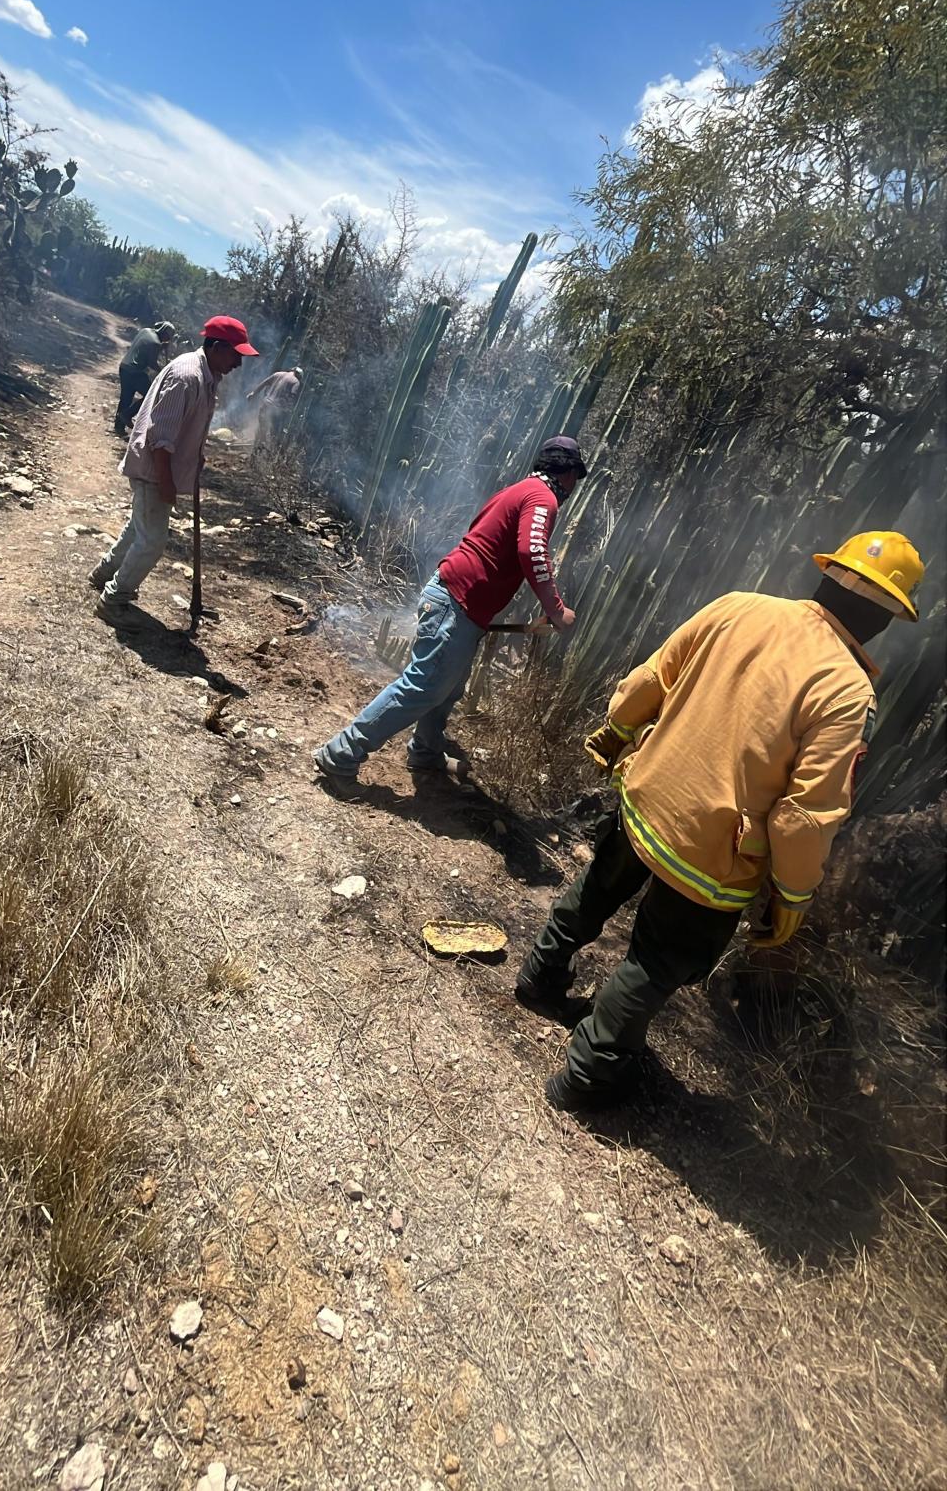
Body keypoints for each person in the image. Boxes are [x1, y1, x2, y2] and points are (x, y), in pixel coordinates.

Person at [516, 530, 925, 1113]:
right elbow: (803, 818)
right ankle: (588, 1077)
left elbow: (652, 679)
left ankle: (538, 979)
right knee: (657, 960)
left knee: (596, 890)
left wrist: (616, 730)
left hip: (647, 796)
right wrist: (792, 896)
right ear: (887, 619)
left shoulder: (739, 606)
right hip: (713, 855)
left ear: (826, 577)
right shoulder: (846, 692)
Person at [312, 436, 587, 783]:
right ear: (568, 473)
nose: (574, 486)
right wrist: (557, 608)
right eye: (576, 477)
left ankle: (425, 753)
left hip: (458, 603)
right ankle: (341, 753)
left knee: (449, 685)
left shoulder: (518, 490)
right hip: (456, 604)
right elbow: (530, 551)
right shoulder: (542, 498)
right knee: (423, 686)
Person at [91, 315, 258, 626]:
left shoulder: (206, 375)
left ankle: (102, 574)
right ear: (219, 347)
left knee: (137, 528)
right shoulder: (187, 376)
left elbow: (183, 427)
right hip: (154, 469)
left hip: (158, 468)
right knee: (152, 540)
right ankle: (114, 600)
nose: (239, 363)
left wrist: (196, 457)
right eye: (237, 354)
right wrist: (166, 483)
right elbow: (160, 437)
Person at [114, 321, 177, 436]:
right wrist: (165, 371)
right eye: (167, 337)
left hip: (124, 367)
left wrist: (162, 347)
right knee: (151, 396)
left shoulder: (145, 331)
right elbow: (152, 363)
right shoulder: (156, 343)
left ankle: (119, 427)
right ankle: (128, 415)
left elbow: (145, 347)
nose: (167, 340)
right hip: (135, 372)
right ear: (163, 332)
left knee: (126, 398)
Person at [248, 365, 303, 453]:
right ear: (299, 375)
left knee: (261, 428)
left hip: (265, 404)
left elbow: (264, 383)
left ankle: (256, 450)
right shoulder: (296, 382)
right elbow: (292, 396)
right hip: (277, 410)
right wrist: (289, 409)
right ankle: (268, 453)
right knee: (274, 432)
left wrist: (253, 393)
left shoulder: (278, 374)